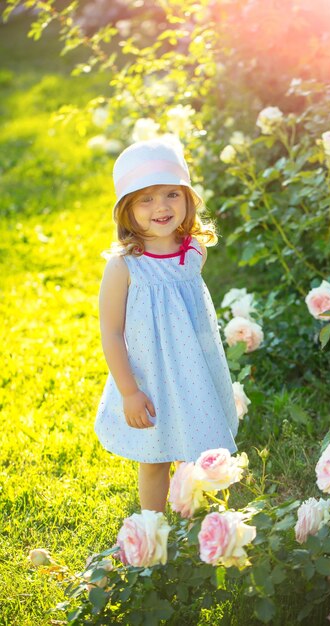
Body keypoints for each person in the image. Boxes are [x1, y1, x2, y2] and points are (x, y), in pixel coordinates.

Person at [95, 137, 239, 513]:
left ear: (188, 198)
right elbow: (110, 332)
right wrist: (129, 392)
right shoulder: (123, 266)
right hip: (152, 376)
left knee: (194, 451)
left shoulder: (194, 250)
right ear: (127, 209)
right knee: (155, 457)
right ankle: (152, 528)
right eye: (146, 199)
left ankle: (192, 519)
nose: (160, 207)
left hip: (193, 372)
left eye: (171, 194)